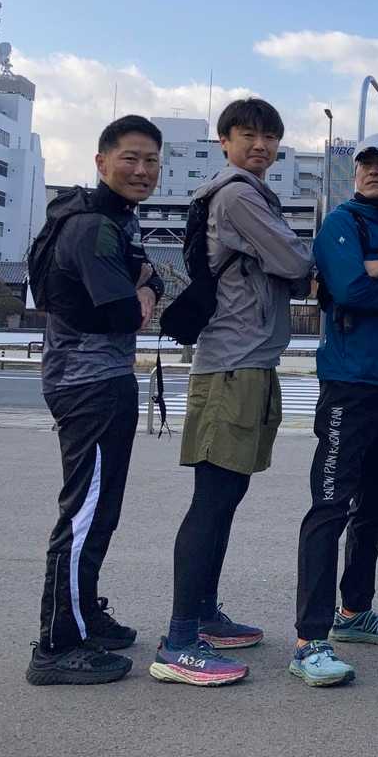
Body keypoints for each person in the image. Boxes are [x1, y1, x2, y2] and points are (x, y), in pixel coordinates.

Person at [150, 98, 313, 687]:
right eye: (247, 135)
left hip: (247, 361)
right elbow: (295, 260)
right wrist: (297, 260)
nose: (260, 146)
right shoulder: (239, 196)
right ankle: (180, 640)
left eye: (270, 137)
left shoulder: (249, 194)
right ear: (224, 141)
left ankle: (203, 615)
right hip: (230, 366)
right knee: (213, 499)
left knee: (226, 495)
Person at [25, 115, 165, 686]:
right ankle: (56, 646)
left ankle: (83, 617)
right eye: (130, 158)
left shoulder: (109, 219)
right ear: (101, 161)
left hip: (95, 379)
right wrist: (146, 289)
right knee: (83, 514)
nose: (142, 170)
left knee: (99, 510)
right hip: (90, 384)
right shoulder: (93, 227)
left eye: (151, 160)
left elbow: (142, 284)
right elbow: (121, 312)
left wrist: (144, 282)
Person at [289, 133, 378, 687]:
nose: (372, 171)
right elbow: (350, 289)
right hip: (349, 381)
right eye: (365, 163)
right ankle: (309, 639)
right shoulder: (340, 224)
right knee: (330, 502)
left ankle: (354, 610)